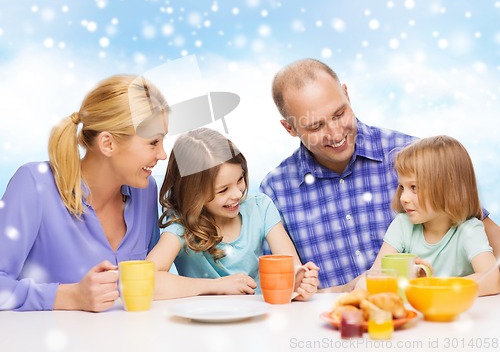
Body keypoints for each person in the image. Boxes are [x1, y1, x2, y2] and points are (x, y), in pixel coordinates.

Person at [260, 58, 500, 291]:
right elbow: (280, 291)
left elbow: (483, 235)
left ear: (347, 94)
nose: (335, 134)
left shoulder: (412, 157)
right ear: (289, 127)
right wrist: (345, 291)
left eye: (339, 114)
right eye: (316, 126)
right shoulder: (275, 191)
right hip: (328, 325)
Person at [0, 75, 169, 311]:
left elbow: (153, 283)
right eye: (153, 143)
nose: (162, 155)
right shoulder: (34, 185)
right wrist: (69, 296)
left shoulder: (145, 191)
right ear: (108, 143)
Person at [146, 127, 319, 300]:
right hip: (203, 323)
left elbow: (291, 268)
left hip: (257, 318)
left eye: (240, 179)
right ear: (194, 194)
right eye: (223, 190)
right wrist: (217, 286)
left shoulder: (260, 208)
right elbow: (147, 282)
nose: (237, 194)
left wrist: (299, 284)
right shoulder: (181, 225)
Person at [365, 135, 499, 297]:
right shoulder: (402, 224)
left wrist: (433, 286)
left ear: (448, 189)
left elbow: (492, 280)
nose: (403, 198)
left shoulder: (469, 230)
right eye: (402, 187)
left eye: (414, 187)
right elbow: (375, 276)